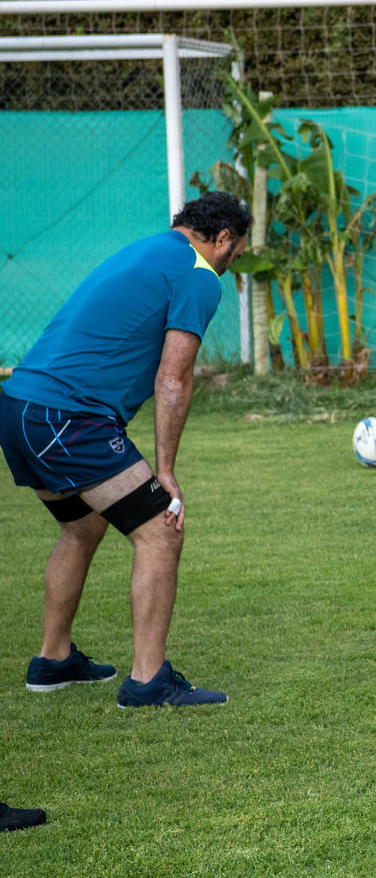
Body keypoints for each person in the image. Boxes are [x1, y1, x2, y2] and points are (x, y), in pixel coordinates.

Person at [1, 191, 250, 708]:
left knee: (82, 525)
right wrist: (166, 471)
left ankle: (54, 659)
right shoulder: (200, 274)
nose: (235, 262)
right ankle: (148, 680)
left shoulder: (149, 249)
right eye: (238, 251)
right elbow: (174, 377)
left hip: (19, 405)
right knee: (162, 528)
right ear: (223, 237)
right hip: (66, 416)